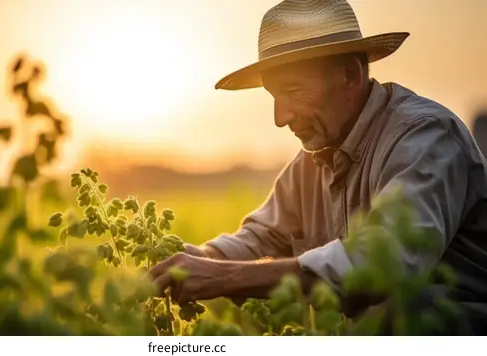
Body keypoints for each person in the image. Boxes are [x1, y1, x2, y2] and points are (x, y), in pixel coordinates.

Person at [148, 0, 487, 335]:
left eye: (293, 91)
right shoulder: (314, 160)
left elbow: (384, 263)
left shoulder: (426, 138)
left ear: (350, 76)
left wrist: (223, 277)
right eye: (273, 96)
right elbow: (263, 237)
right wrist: (199, 257)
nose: (280, 118)